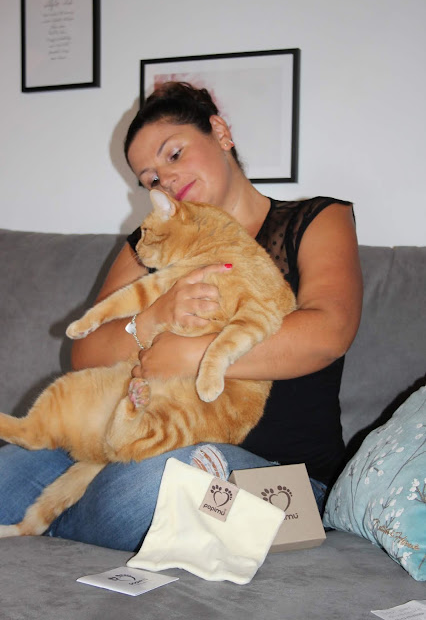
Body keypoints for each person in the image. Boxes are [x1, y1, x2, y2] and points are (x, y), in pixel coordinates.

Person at [0, 82, 363, 551]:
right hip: (132, 439)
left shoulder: (316, 219)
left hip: (280, 476)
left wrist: (193, 354)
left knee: (152, 490)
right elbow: (85, 353)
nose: (165, 180)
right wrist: (151, 320)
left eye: (174, 154)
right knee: (9, 475)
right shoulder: (151, 241)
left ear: (220, 132)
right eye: (150, 178)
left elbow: (329, 331)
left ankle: (58, 525)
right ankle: (78, 524)